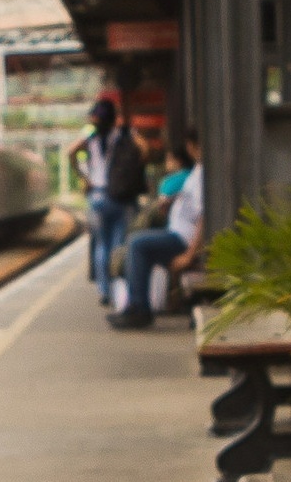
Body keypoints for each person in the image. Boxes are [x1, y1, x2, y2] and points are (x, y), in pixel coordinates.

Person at [111, 128, 205, 330]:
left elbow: (203, 218)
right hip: (177, 234)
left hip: (183, 239)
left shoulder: (202, 174)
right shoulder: (197, 171)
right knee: (137, 243)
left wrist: (189, 255)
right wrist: (172, 204)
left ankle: (139, 309)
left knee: (138, 243)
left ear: (193, 146)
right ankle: (135, 306)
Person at [70, 96, 145, 305]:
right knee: (119, 245)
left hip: (97, 197)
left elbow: (71, 151)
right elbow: (144, 148)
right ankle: (120, 290)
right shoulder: (124, 133)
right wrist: (135, 171)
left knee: (101, 245)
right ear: (115, 118)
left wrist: (84, 177)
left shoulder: (90, 137)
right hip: (120, 197)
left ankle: (104, 291)